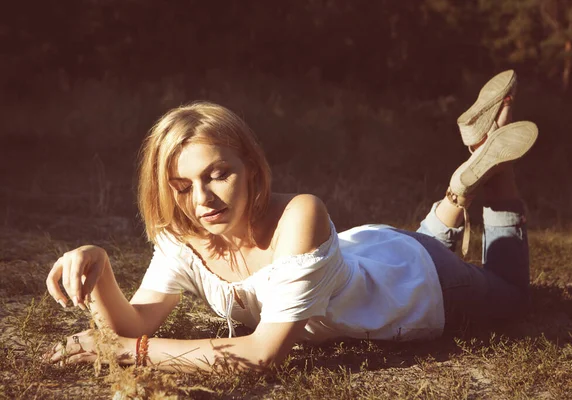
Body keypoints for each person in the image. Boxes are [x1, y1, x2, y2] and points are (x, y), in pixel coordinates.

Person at [45, 70, 537, 372]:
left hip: (419, 284)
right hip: (370, 252)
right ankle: (458, 186)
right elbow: (134, 321)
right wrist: (101, 271)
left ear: (252, 168)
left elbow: (261, 354)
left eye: (218, 175)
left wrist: (135, 351)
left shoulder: (300, 213)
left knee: (512, 297)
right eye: (181, 186)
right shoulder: (183, 237)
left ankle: (499, 176)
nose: (201, 200)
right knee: (420, 243)